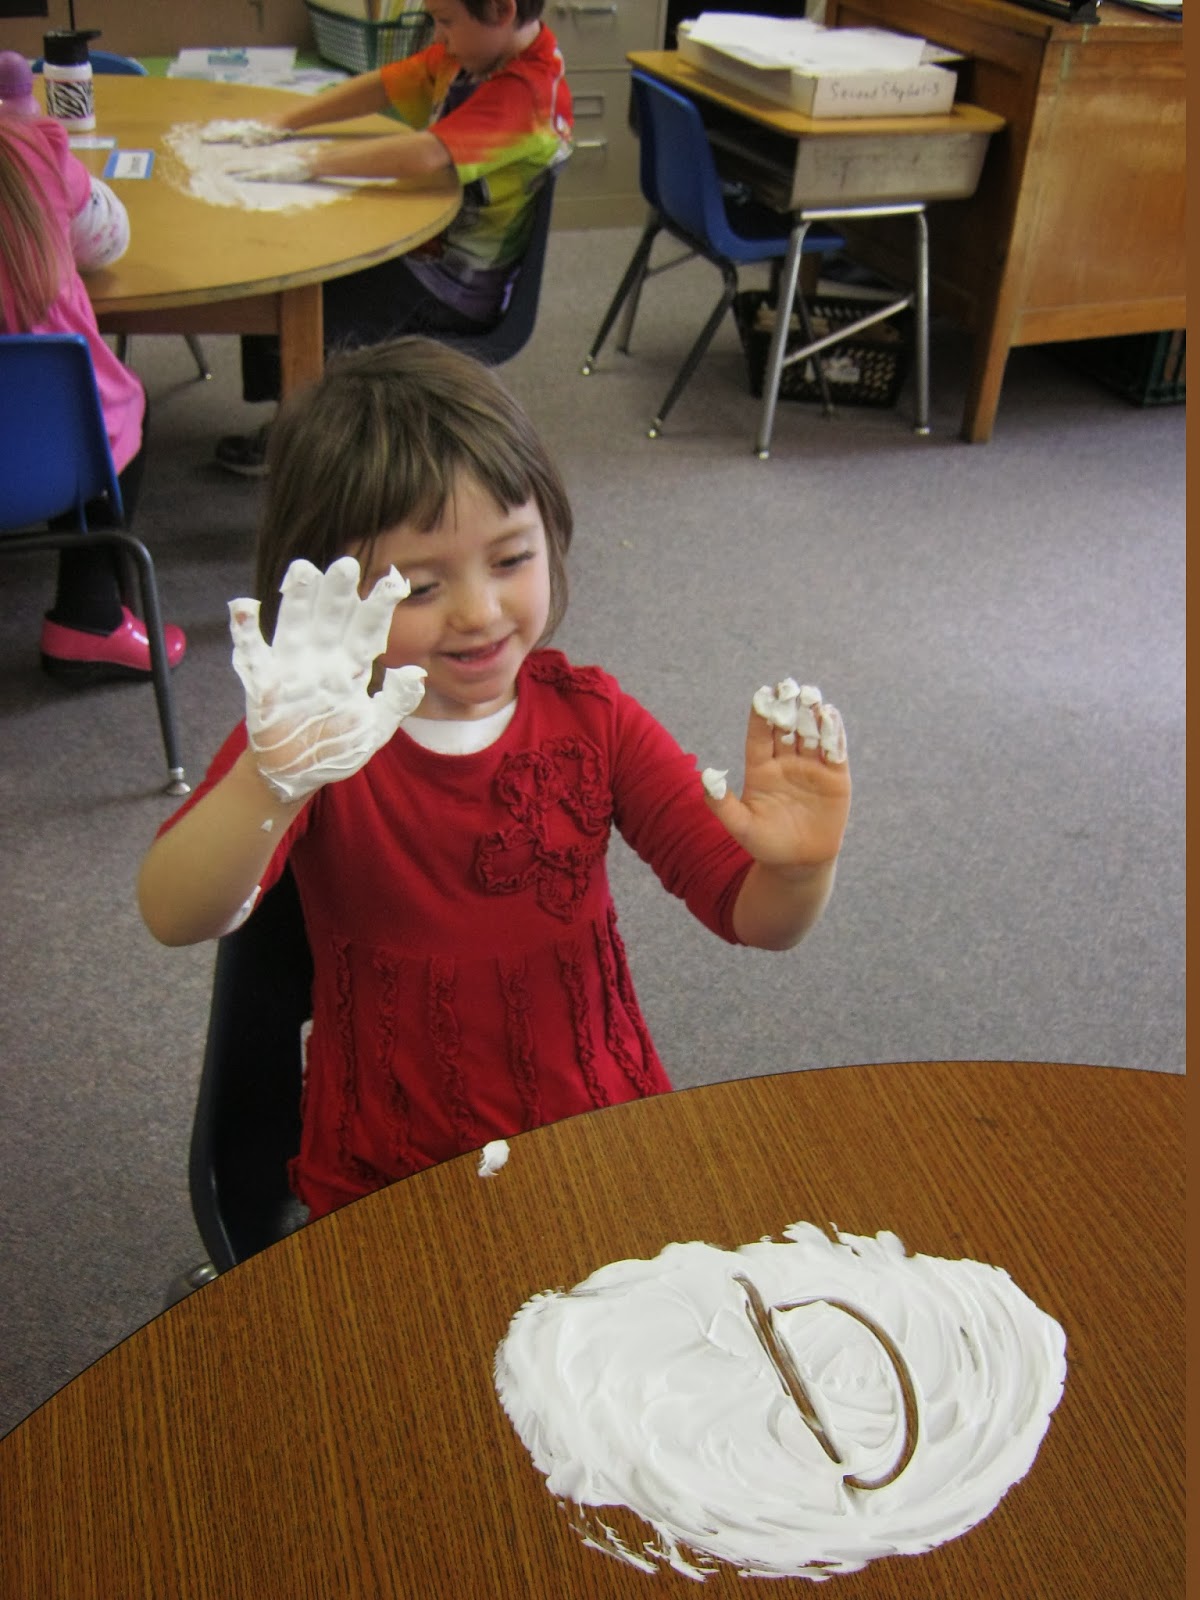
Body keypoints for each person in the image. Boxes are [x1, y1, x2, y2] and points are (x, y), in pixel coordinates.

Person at [137, 337, 851, 1225]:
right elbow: (175, 913)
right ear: (330, 591)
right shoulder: (315, 740)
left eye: (511, 560)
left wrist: (797, 869)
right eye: (423, 584)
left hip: (599, 1137)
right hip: (386, 1175)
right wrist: (269, 783)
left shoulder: (594, 720)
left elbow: (757, 919)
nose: (479, 611)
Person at [205, 0, 573, 477]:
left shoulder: (528, 94)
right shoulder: (474, 50)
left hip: (453, 284)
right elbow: (386, 83)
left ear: (502, 12)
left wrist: (306, 163)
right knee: (281, 270)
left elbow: (424, 154)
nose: (438, 38)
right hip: (424, 243)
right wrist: (285, 121)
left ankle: (303, 451)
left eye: (445, 23)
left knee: (300, 300)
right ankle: (289, 415)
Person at [0, 105, 187, 682]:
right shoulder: (32, 151)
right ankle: (90, 615)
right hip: (46, 459)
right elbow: (107, 241)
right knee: (118, 406)